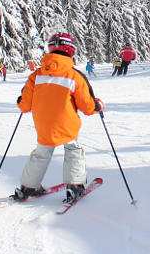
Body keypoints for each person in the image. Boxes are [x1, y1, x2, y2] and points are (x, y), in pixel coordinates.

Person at [12, 32, 102, 204]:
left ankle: (28, 187)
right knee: (73, 150)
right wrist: (97, 105)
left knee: (41, 153)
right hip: (66, 124)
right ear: (70, 49)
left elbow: (24, 105)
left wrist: (20, 101)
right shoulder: (74, 75)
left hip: (43, 124)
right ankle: (75, 186)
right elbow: (87, 106)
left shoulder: (36, 75)